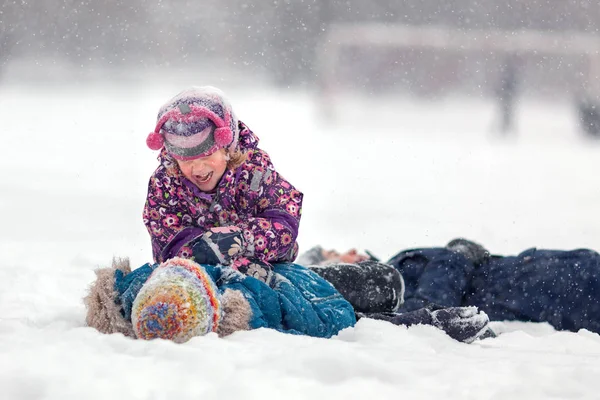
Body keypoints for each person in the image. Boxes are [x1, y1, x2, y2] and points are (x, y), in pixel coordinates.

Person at [84, 256, 491, 343]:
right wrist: (425, 322)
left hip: (290, 268)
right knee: (387, 282)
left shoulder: (135, 292)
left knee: (387, 278)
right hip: (307, 289)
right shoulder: (249, 315)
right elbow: (334, 322)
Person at [143, 86, 303, 279]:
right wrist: (204, 249)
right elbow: (166, 243)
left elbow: (284, 220)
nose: (198, 169)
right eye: (186, 161)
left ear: (229, 147)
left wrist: (242, 239)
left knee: (284, 294)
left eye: (207, 156)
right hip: (196, 275)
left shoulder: (255, 173)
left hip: (267, 267)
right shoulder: (165, 185)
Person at [301, 239, 600, 335]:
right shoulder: (381, 294)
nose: (351, 251)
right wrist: (456, 255)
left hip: (550, 272)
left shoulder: (393, 267)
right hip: (546, 294)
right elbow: (427, 308)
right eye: (338, 258)